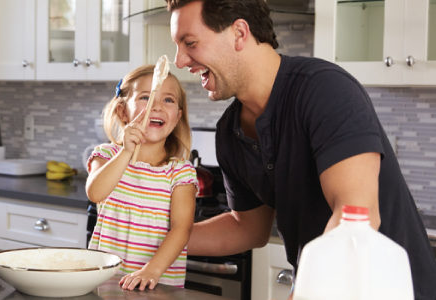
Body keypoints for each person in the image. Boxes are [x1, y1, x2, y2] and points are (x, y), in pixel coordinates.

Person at [165, 0, 436, 298]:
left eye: (189, 42)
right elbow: (247, 228)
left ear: (239, 33)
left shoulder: (325, 90)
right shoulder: (230, 133)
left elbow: (357, 216)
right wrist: (154, 236)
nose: (179, 61)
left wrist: (305, 291)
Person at [86, 64, 198, 290]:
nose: (156, 106)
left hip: (155, 285)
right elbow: (95, 193)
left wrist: (152, 269)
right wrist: (127, 151)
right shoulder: (106, 155)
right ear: (122, 112)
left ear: (177, 118)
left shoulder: (180, 172)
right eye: (146, 97)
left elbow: (181, 229)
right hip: (105, 283)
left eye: (168, 100)